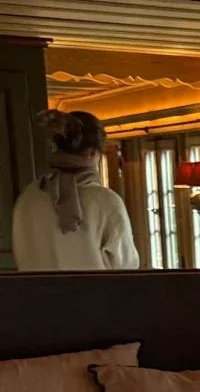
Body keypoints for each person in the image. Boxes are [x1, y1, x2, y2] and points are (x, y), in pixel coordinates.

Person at [12, 110, 140, 271]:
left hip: (32, 289)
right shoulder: (106, 202)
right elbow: (126, 268)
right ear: (92, 153)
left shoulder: (28, 197)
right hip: (94, 289)